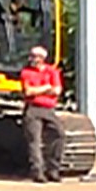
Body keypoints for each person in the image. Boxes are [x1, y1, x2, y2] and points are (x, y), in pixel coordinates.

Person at [20, 45, 65, 182]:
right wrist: (46, 88)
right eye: (31, 56)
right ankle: (38, 172)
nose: (32, 59)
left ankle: (53, 169)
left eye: (35, 57)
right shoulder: (26, 72)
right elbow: (28, 92)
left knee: (59, 135)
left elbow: (57, 90)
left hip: (49, 109)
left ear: (42, 58)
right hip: (32, 109)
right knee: (35, 141)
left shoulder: (52, 72)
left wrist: (37, 90)